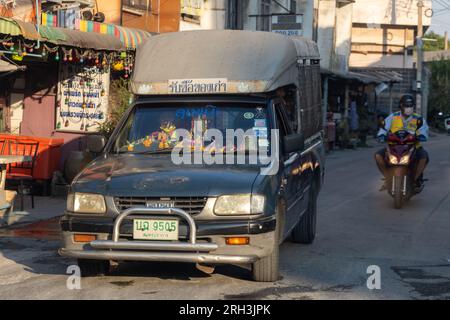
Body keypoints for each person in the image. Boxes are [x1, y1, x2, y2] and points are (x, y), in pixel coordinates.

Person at [374, 94, 429, 191]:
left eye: (411, 106)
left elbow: (423, 129)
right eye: (406, 106)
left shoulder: (418, 118)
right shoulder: (393, 117)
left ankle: (415, 180)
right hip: (394, 147)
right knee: (378, 156)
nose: (409, 108)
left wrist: (422, 135)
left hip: (413, 147)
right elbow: (384, 127)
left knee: (424, 157)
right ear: (401, 106)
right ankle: (388, 178)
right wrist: (381, 135)